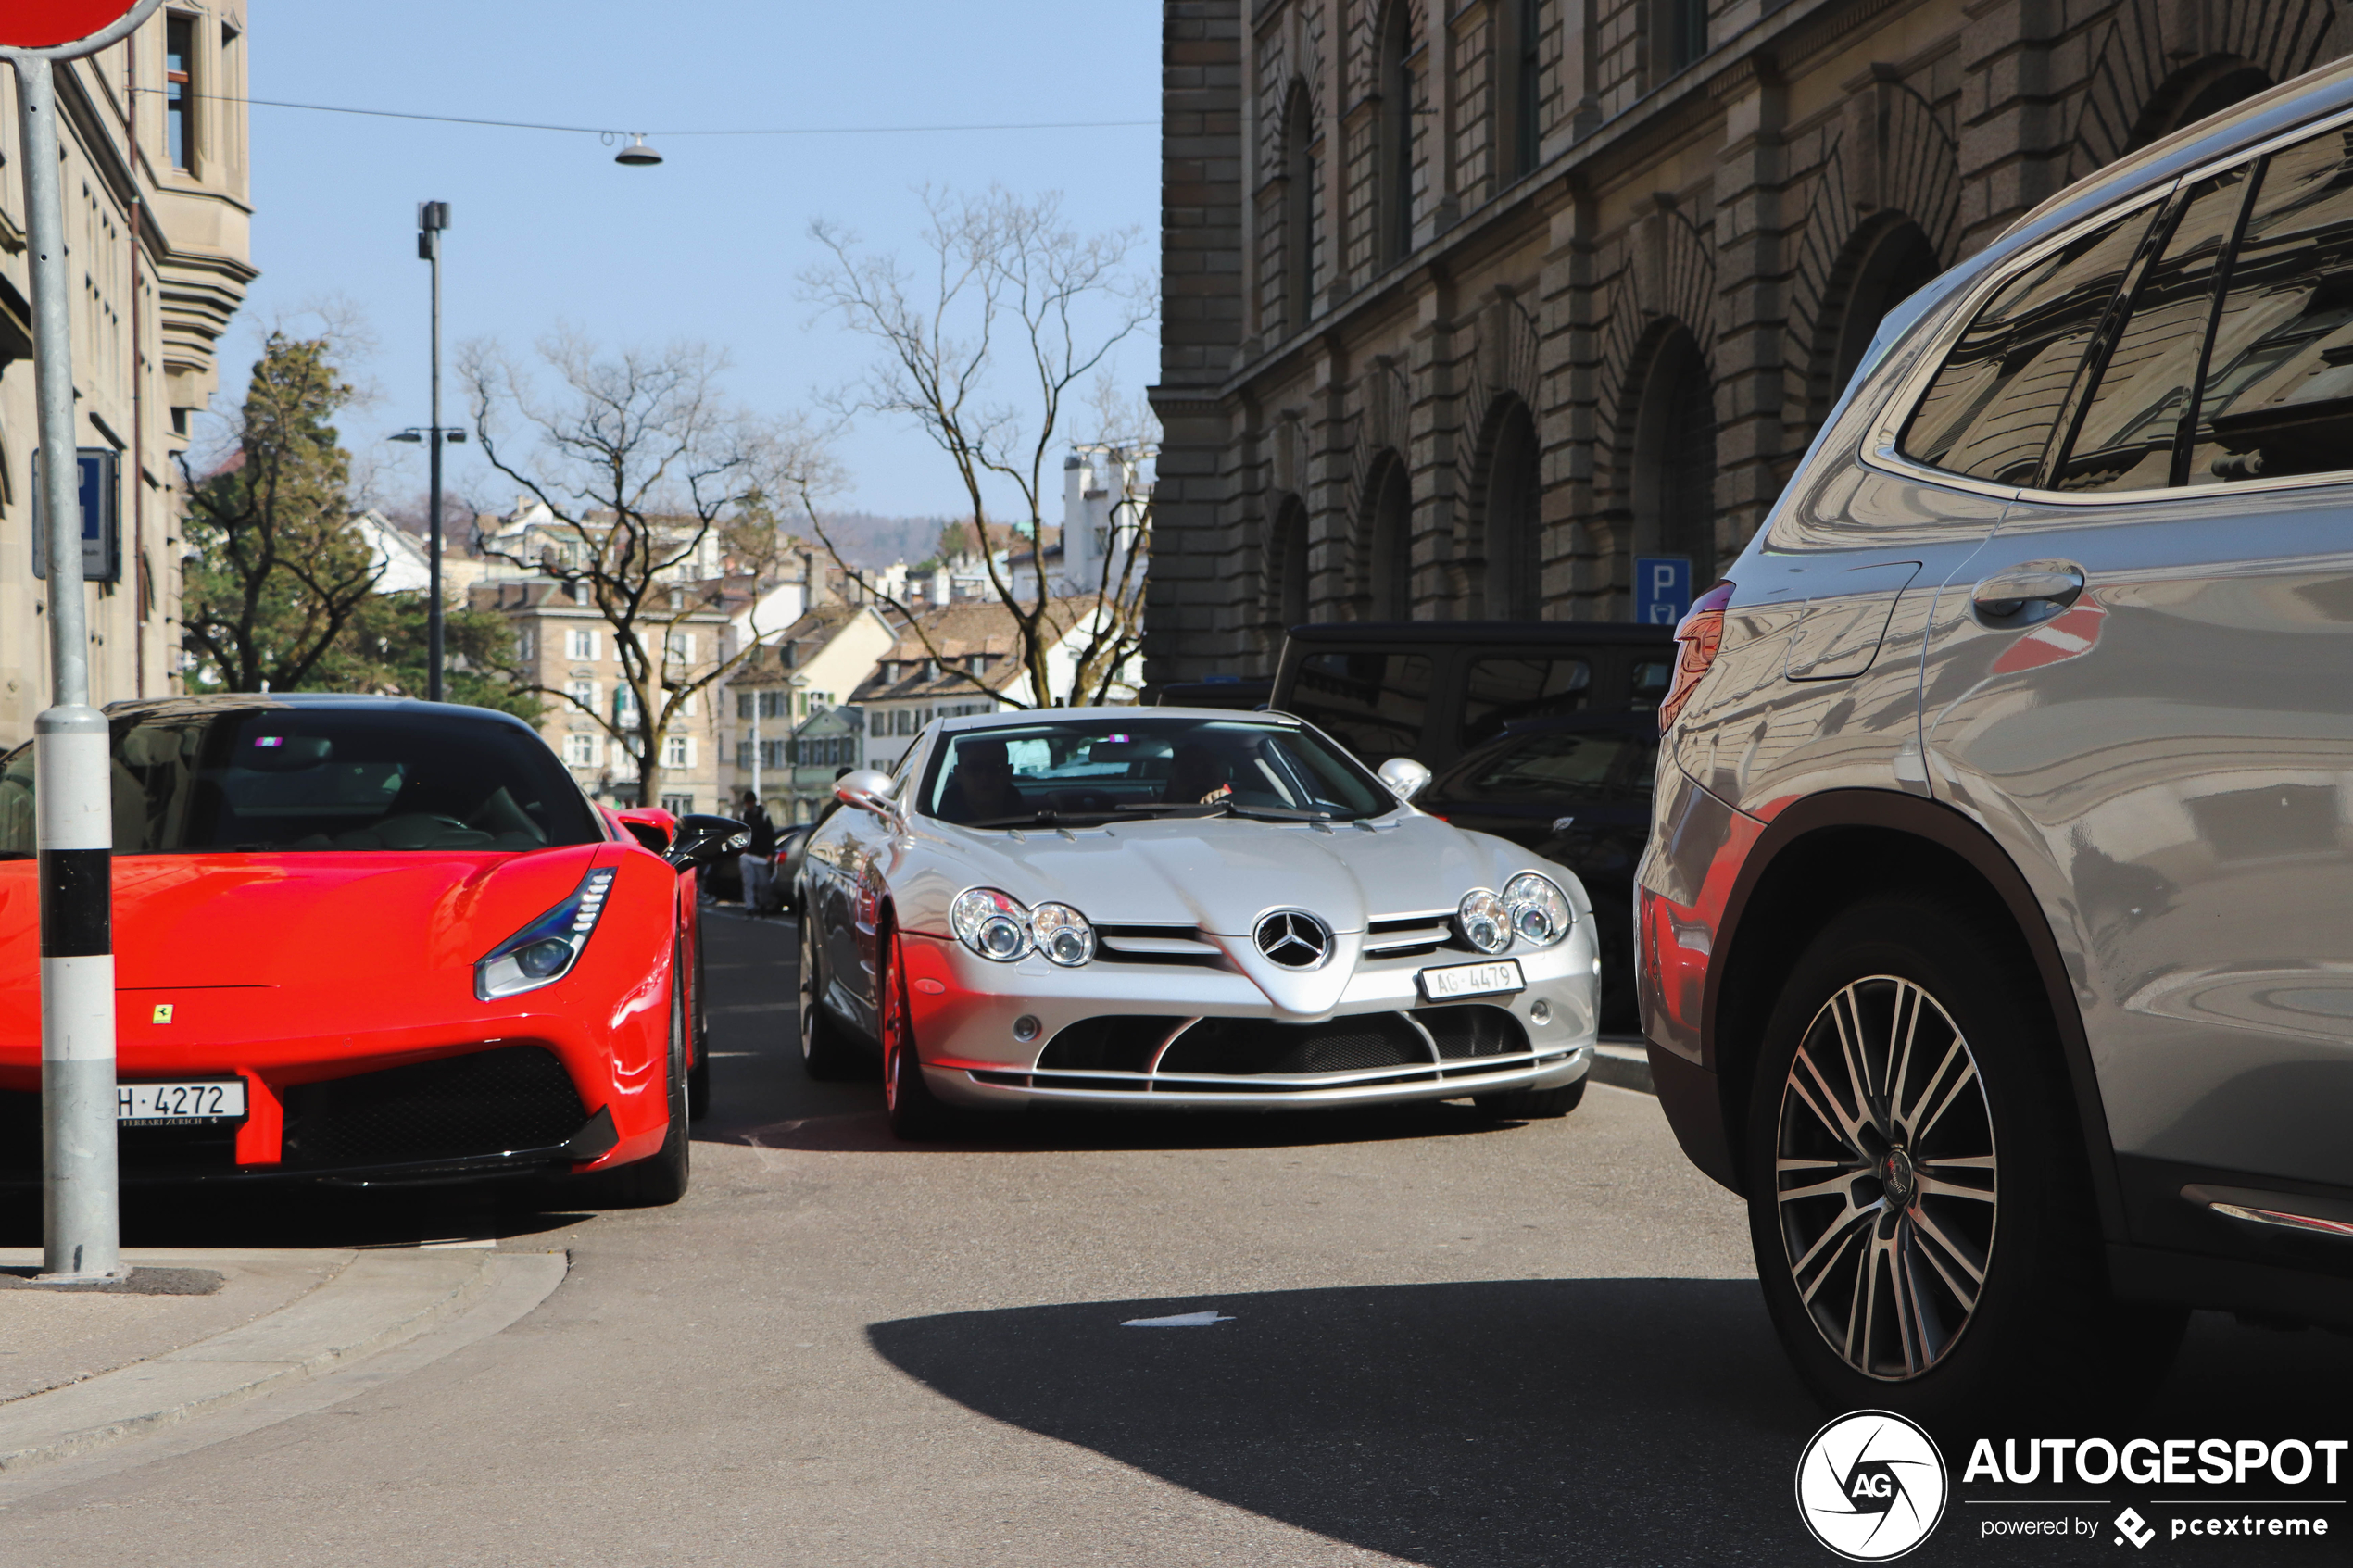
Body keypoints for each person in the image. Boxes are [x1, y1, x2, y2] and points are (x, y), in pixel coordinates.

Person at [737, 791, 777, 915]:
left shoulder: (764, 815)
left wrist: (770, 852)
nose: (749, 805)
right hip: (746, 854)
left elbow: (770, 835)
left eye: (751, 803)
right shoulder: (742, 816)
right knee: (748, 882)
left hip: (761, 855)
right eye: (747, 803)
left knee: (763, 883)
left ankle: (762, 904)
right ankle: (750, 907)